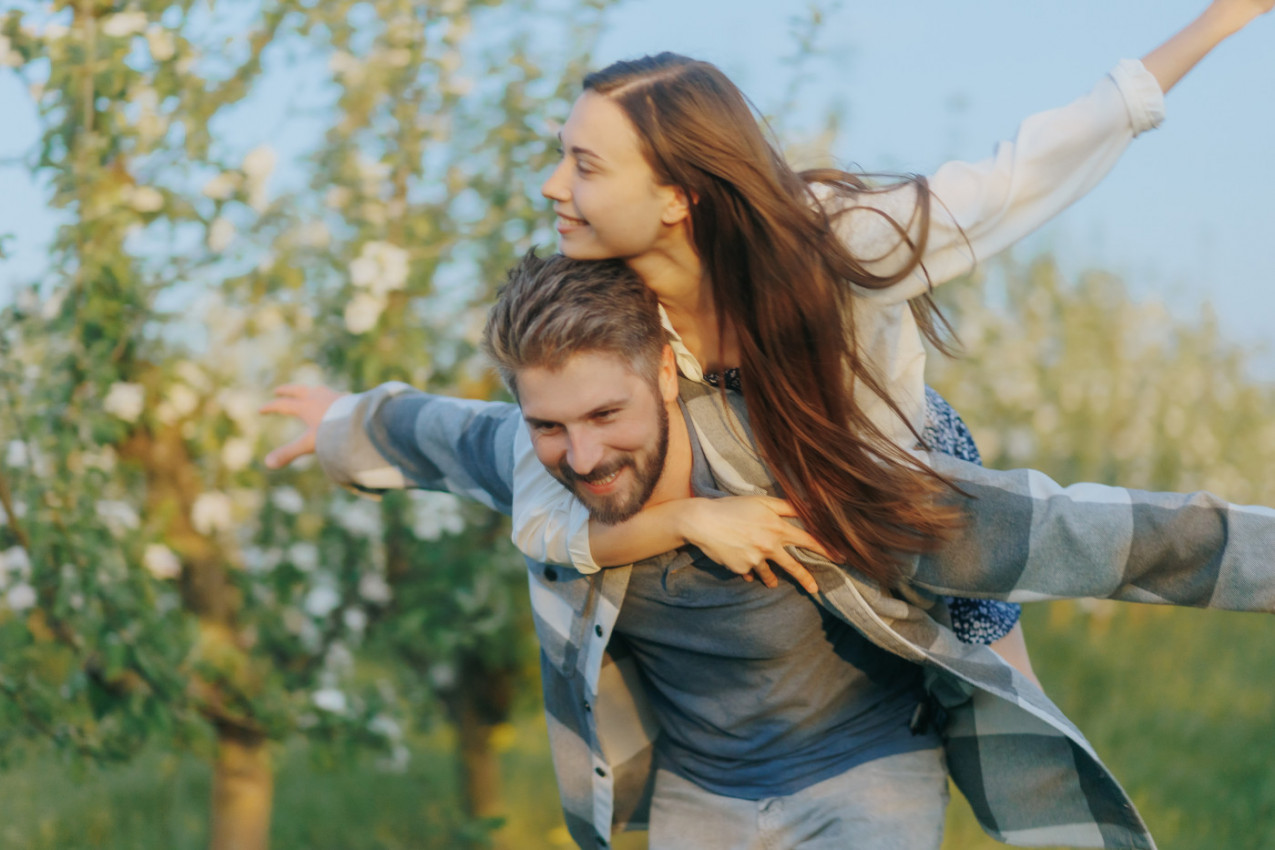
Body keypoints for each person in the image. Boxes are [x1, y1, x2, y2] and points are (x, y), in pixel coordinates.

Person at [265, 251, 1275, 850]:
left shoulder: (799, 465)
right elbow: (430, 432)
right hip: (701, 794)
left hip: (865, 774)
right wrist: (342, 422)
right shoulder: (536, 464)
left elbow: (1088, 534)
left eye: (604, 413)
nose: (580, 454)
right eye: (548, 424)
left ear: (665, 368)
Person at [508, 0, 1273, 682]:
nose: (551, 185)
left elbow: (1023, 174)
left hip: (896, 457)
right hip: (776, 483)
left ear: (677, 195)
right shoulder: (598, 310)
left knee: (1012, 692)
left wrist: (1215, 22)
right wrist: (684, 520)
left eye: (583, 165)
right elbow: (542, 520)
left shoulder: (837, 239)